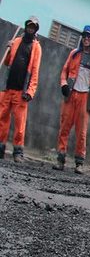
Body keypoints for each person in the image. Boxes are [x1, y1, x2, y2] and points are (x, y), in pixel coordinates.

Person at [53, 25, 90, 174]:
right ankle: (60, 159)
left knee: (81, 132)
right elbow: (64, 71)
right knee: (64, 127)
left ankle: (79, 163)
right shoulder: (74, 54)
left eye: (89, 36)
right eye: (84, 36)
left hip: (86, 97)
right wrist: (64, 85)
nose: (86, 38)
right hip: (71, 94)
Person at [0, 16, 43, 162]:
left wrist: (30, 91)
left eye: (33, 27)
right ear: (26, 27)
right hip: (8, 88)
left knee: (19, 124)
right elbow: (7, 62)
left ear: (35, 30)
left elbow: (35, 71)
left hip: (21, 91)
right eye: (29, 26)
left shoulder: (36, 47)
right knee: (2, 119)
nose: (30, 29)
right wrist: (8, 47)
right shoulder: (16, 41)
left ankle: (18, 152)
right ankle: (0, 148)